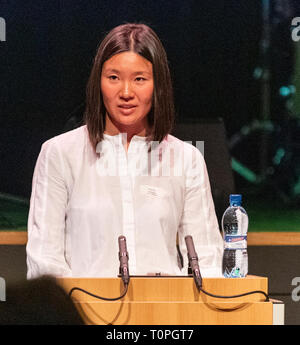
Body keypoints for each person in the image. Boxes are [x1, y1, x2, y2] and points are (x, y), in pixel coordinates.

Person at [26, 23, 223, 279]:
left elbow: (207, 260)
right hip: (85, 313)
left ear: (158, 85)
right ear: (99, 82)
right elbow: (45, 262)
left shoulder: (186, 159)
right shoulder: (60, 154)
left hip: (164, 313)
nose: (126, 92)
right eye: (114, 78)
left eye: (139, 79)